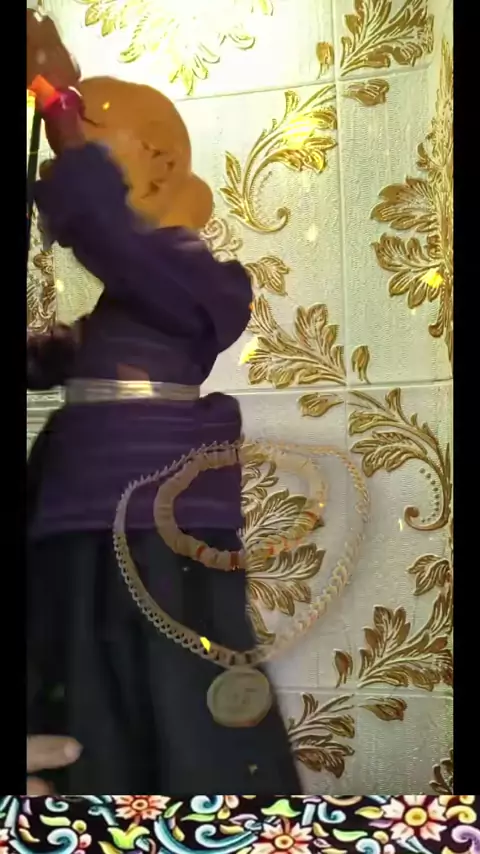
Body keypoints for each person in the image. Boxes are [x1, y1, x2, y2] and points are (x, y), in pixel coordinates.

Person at [26, 11, 300, 793]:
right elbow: (62, 354)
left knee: (183, 703)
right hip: (77, 515)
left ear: (156, 162)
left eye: (92, 120)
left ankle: (210, 823)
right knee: (84, 700)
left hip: (154, 523)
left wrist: (56, 103)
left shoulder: (205, 283)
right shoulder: (127, 301)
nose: (68, 146)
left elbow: (108, 232)